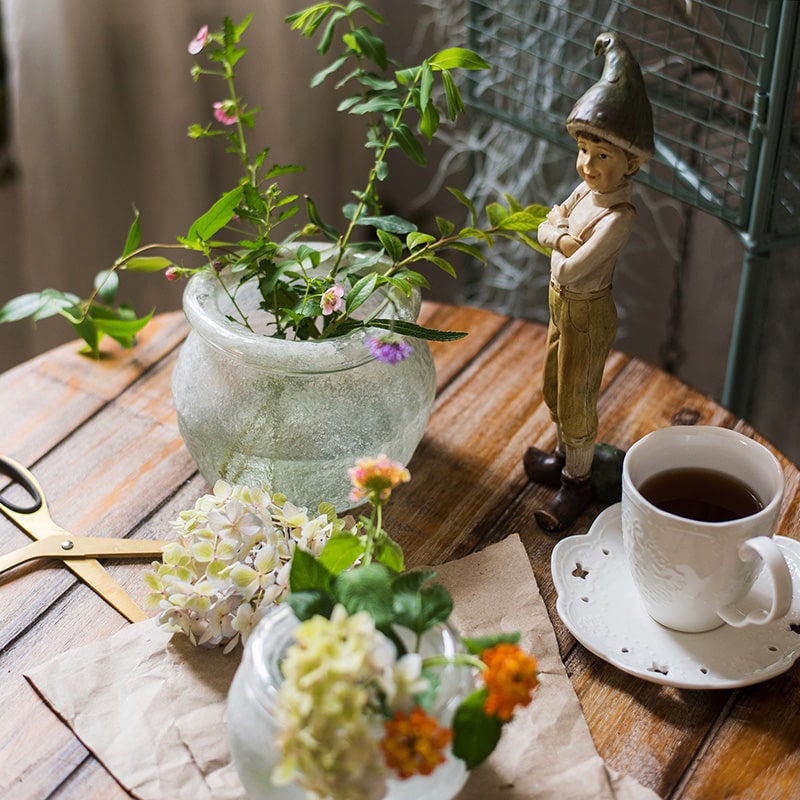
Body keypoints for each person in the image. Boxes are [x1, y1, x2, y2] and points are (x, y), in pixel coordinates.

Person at [524, 32, 654, 532]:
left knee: (577, 400)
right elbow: (544, 226)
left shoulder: (618, 216)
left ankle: (576, 485)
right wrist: (558, 236)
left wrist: (556, 239)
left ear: (631, 163)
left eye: (603, 156)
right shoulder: (585, 194)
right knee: (554, 390)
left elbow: (574, 268)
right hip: (560, 304)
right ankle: (565, 459)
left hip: (587, 310)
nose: (589, 165)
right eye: (584, 150)